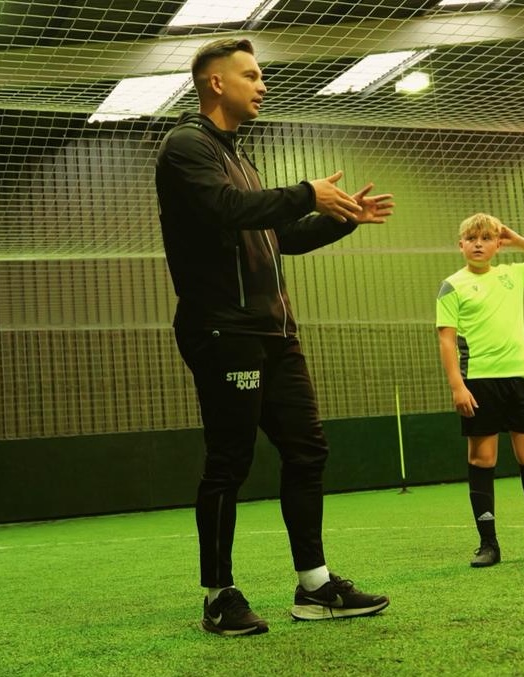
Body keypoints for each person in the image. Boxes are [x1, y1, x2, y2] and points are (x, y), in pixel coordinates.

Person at [154, 37, 394, 637]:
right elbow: (227, 209)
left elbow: (278, 236)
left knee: (308, 450)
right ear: (216, 83)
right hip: (222, 329)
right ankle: (218, 594)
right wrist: (307, 191)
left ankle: (314, 586)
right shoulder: (186, 147)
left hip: (275, 333)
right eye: (252, 75)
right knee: (229, 462)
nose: (262, 85)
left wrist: (340, 220)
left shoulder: (243, 157)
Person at [434, 213, 524, 568]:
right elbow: (446, 341)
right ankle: (488, 544)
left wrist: (517, 238)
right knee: (482, 460)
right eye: (471, 238)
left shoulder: (513, 273)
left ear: (497, 244)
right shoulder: (452, 285)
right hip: (478, 382)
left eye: (487, 238)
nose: (479, 244)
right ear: (460, 244)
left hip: (521, 379)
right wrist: (457, 386)